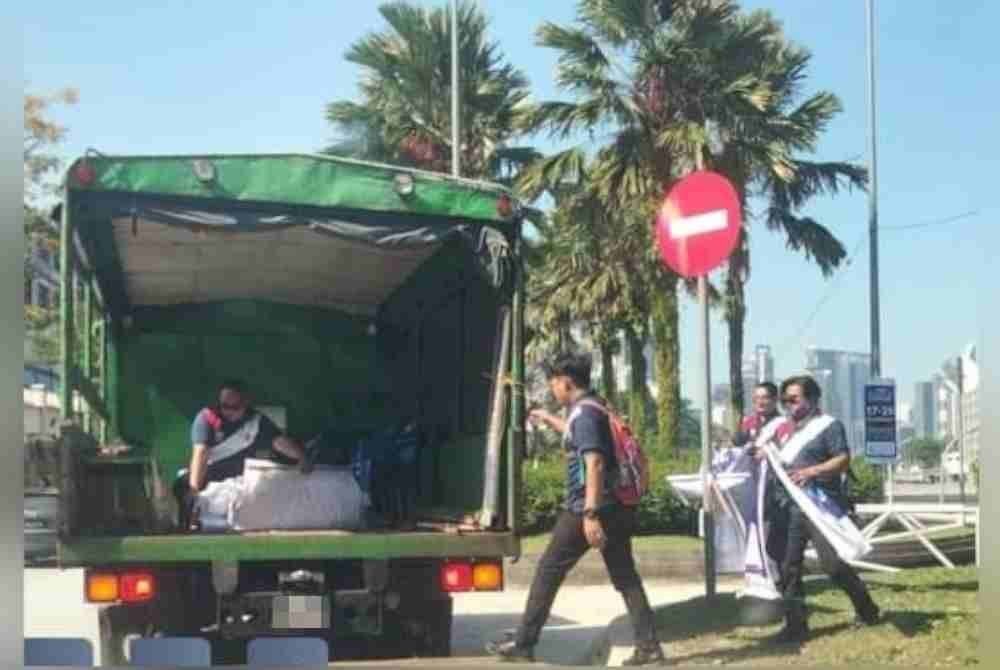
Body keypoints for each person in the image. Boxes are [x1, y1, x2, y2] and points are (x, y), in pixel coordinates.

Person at [486, 352, 666, 666]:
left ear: (565, 382)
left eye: (553, 383)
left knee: (548, 572)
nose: (552, 389)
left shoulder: (583, 415)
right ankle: (649, 646)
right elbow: (576, 434)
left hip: (590, 507)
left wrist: (590, 514)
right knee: (625, 577)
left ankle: (525, 645)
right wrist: (546, 418)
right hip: (615, 506)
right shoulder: (595, 406)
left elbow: (593, 462)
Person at [752, 375, 880, 643]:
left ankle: (867, 609)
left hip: (820, 506)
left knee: (832, 565)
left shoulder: (829, 426)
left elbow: (843, 459)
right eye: (785, 399)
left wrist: (813, 470)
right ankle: (796, 625)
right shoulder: (785, 430)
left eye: (794, 399)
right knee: (789, 567)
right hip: (790, 507)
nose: (788, 404)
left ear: (812, 399)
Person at [174, 379, 305, 528]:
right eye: (224, 406)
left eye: (234, 407)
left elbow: (280, 442)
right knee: (181, 486)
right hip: (208, 480)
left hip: (238, 484)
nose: (228, 411)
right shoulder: (207, 419)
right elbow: (200, 454)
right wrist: (194, 492)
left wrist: (302, 457)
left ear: (245, 403)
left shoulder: (256, 422)